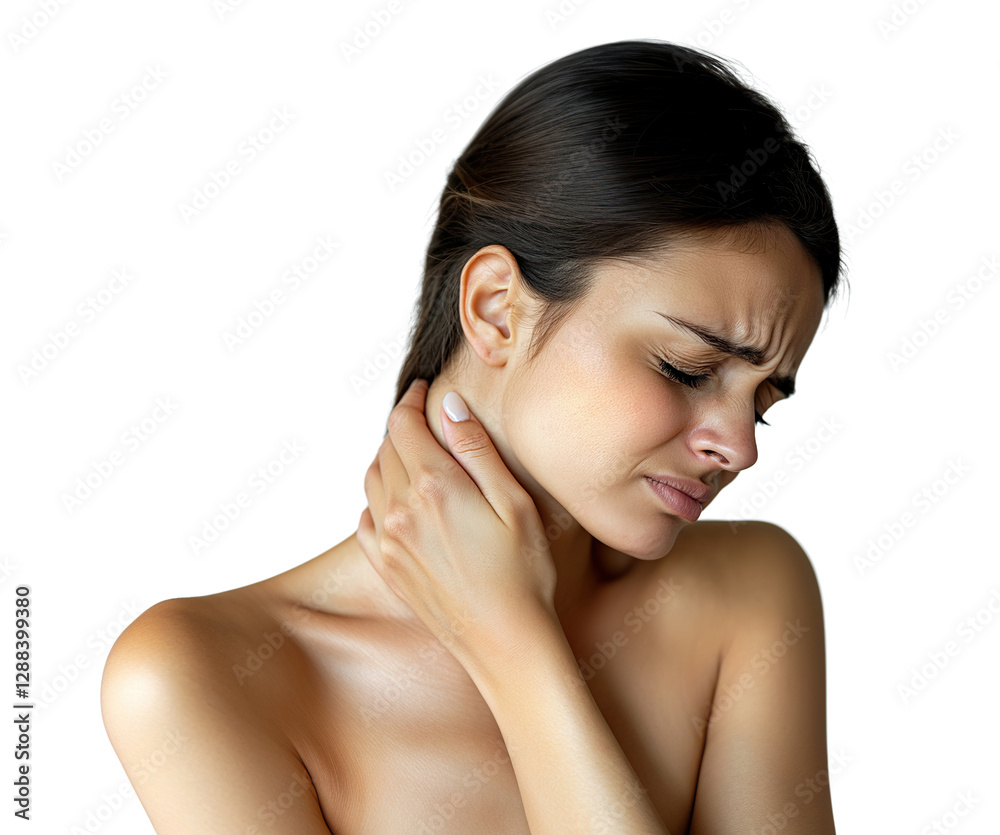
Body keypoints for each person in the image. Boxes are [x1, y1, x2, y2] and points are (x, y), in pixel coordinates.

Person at [100, 39, 844, 834]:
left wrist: (516, 647)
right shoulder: (197, 676)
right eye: (686, 369)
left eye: (763, 401)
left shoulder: (748, 595)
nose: (741, 447)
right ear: (495, 308)